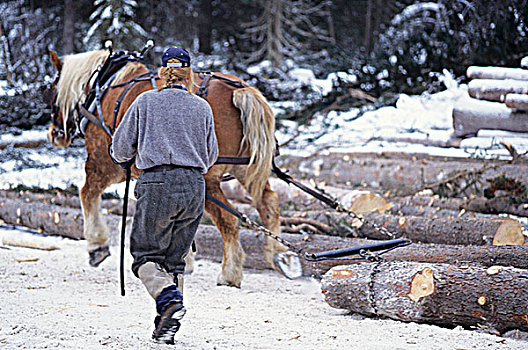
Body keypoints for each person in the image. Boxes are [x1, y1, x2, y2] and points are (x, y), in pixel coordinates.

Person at [110, 47, 218, 344]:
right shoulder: (202, 107)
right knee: (175, 260)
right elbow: (211, 156)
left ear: (162, 72)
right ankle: (165, 325)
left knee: (145, 255)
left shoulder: (146, 101)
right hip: (194, 187)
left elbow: (119, 150)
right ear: (188, 73)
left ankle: (168, 299)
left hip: (157, 183)